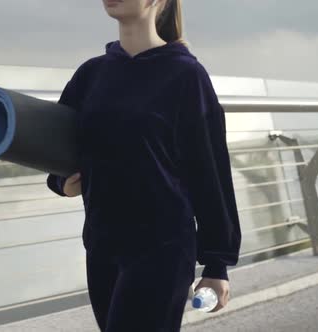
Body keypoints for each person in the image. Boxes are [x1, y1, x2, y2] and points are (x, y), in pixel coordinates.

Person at [46, 0, 242, 330]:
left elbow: (210, 171)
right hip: (101, 246)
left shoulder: (186, 75)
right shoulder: (91, 74)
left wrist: (217, 263)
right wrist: (60, 182)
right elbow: (57, 147)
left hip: (162, 249)